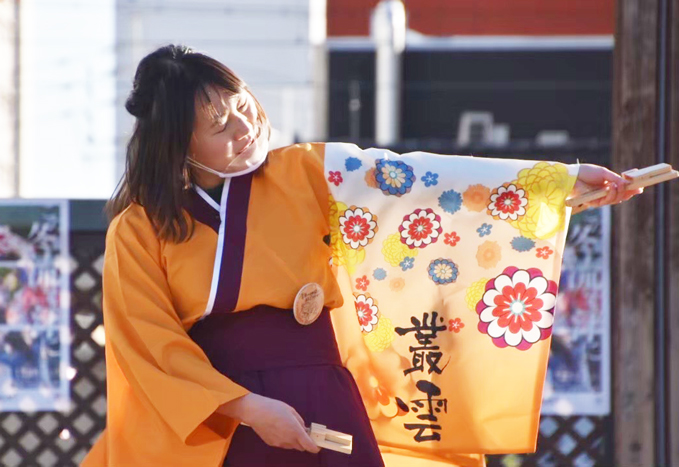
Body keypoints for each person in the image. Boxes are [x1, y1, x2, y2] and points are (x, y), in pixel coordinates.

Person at [82, 44, 642, 467]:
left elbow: (420, 185)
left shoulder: (308, 172)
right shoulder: (139, 230)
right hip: (219, 416)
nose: (246, 124)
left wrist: (553, 185)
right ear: (179, 145)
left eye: (242, 103)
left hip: (321, 390)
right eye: (219, 124)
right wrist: (249, 409)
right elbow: (150, 345)